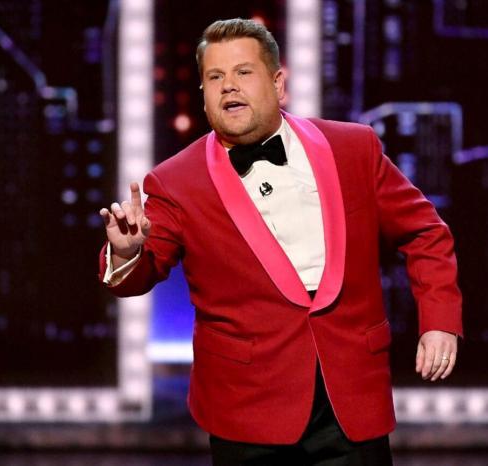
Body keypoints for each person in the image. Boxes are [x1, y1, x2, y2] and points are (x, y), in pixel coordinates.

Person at [99, 18, 462, 466]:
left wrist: (439, 320)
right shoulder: (176, 181)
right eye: (215, 77)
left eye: (243, 72)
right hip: (247, 408)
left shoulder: (354, 148)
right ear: (204, 93)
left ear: (278, 83)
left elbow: (426, 231)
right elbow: (140, 271)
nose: (229, 86)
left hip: (350, 399)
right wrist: (127, 251)